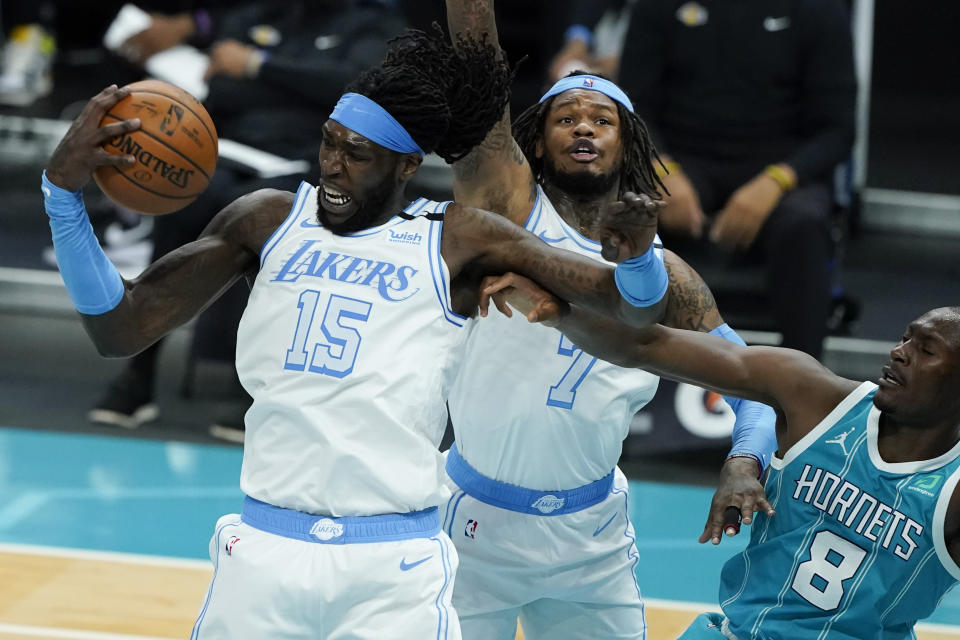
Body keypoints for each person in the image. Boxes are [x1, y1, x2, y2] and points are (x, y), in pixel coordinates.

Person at [41, 27, 672, 638]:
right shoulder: (268, 220)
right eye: (328, 144)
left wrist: (639, 256)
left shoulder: (457, 239)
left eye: (357, 154)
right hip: (264, 549)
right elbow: (119, 329)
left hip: (394, 565)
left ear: (403, 165)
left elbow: (628, 307)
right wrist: (62, 197)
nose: (334, 167)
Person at [440, 2, 777, 638]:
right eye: (566, 118)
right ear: (537, 139)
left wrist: (744, 460)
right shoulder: (507, 207)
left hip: (591, 542)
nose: (584, 128)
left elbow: (754, 388)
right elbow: (478, 72)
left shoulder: (670, 276)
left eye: (603, 120)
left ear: (629, 143)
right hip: (470, 527)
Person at [479, 274, 960, 640]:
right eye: (905, 338)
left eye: (926, 350)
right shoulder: (814, 396)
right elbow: (648, 343)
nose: (899, 353)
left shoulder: (951, 490)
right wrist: (555, 309)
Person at [88, 0, 408, 441]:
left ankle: (250, 390)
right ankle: (138, 375)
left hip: (308, 163)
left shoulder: (376, 27)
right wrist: (292, 84)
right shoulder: (255, 15)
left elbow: (354, 94)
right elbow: (220, 91)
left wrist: (258, 67)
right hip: (228, 153)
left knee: (257, 212)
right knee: (184, 203)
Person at [617, 0, 857, 360]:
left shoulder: (818, 9)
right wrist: (662, 170)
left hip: (781, 165)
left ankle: (804, 388)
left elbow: (837, 129)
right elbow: (631, 104)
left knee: (804, 224)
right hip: (680, 156)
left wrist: (774, 181)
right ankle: (625, 369)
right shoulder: (656, 6)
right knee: (635, 210)